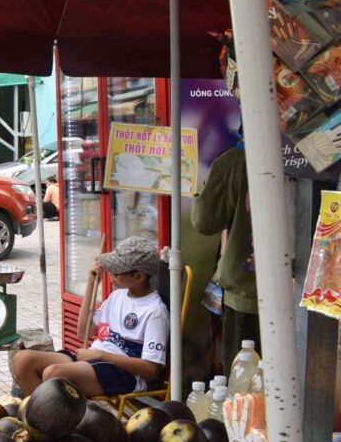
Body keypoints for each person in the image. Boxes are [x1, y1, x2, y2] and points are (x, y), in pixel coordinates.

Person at [13, 236, 168, 396]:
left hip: (123, 373)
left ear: (139, 277)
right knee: (23, 360)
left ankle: (50, 416)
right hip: (94, 361)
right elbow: (83, 332)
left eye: (116, 270)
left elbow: (151, 369)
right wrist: (91, 283)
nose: (110, 273)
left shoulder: (154, 311)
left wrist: (100, 354)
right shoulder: (117, 296)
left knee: (53, 374)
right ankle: (40, 414)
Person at [191, 130, 258, 373]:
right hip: (309, 293)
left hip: (247, 290)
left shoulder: (233, 162)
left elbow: (204, 221)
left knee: (244, 384)